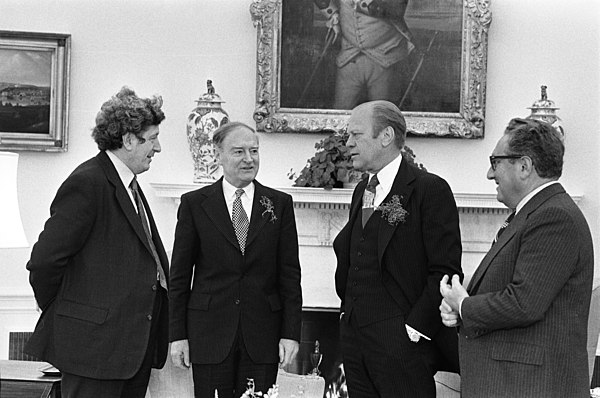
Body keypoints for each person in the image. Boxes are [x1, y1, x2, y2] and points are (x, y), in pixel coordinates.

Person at [25, 86, 169, 398]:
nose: (157, 148)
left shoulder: (127, 183)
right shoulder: (88, 182)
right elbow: (45, 261)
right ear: (129, 140)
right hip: (93, 351)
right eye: (153, 137)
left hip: (130, 353)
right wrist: (69, 313)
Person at [440, 118, 594, 397]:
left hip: (529, 386)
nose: (489, 173)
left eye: (495, 161)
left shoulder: (553, 217)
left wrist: (464, 306)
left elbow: (524, 303)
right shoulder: (533, 213)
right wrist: (462, 309)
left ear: (524, 166)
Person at [333, 100, 462, 397]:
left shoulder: (428, 189)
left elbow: (445, 270)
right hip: (355, 342)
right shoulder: (361, 190)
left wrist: (413, 331)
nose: (348, 143)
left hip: (403, 346)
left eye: (356, 135)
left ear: (386, 136)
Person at [169, 122, 303, 398]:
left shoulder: (279, 204)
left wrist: (290, 333)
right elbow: (179, 278)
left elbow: (290, 276)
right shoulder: (195, 204)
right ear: (218, 155)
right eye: (239, 151)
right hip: (209, 334)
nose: (249, 159)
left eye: (254, 151)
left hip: (263, 335)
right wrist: (177, 335)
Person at [315, 0, 415, 109]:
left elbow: (396, 10)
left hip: (385, 55)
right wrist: (332, 13)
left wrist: (363, 2)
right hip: (349, 55)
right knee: (341, 110)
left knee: (381, 113)